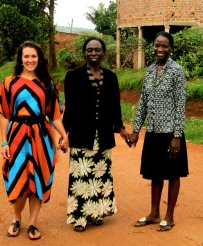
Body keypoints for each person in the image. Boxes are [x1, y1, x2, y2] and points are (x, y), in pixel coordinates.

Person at [0, 40, 69, 240]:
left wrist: (64, 135)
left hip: (41, 138)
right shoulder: (10, 82)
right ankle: (16, 218)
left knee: (38, 179)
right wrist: (4, 142)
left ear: (39, 59)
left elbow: (54, 116)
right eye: (26, 56)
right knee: (18, 179)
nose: (30, 60)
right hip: (17, 136)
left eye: (33, 56)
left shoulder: (47, 84)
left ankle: (33, 223)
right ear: (20, 59)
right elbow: (4, 114)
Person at [62, 37, 130, 232]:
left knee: (100, 175)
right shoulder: (73, 76)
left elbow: (114, 106)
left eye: (97, 50)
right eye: (89, 50)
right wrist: (65, 133)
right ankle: (80, 217)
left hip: (104, 135)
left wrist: (121, 128)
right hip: (81, 133)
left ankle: (97, 213)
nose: (93, 53)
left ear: (103, 53)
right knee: (81, 175)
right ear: (84, 53)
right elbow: (71, 107)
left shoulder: (111, 77)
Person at [129, 31, 188, 231]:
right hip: (153, 131)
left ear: (171, 49)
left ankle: (169, 216)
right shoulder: (150, 70)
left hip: (171, 133)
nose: (160, 49)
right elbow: (143, 101)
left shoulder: (176, 70)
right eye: (157, 45)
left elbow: (180, 105)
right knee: (154, 173)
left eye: (164, 46)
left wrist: (177, 136)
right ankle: (154, 213)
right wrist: (136, 129)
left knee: (172, 173)